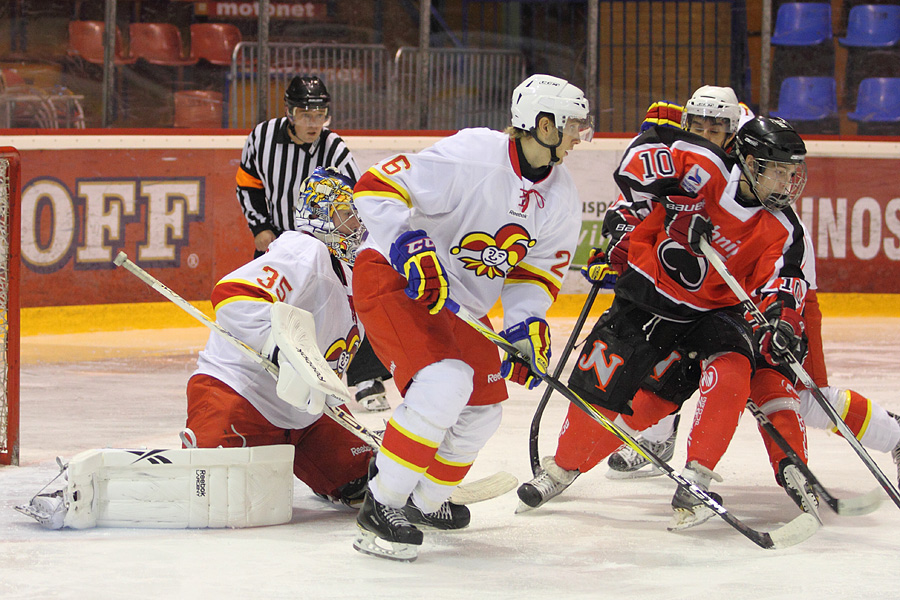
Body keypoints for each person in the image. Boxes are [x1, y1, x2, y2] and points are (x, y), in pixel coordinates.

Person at [518, 111, 820, 530]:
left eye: (793, 173)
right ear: (750, 163)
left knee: (733, 366)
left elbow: (785, 282)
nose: (787, 183)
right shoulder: (703, 163)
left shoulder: (784, 227)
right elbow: (639, 158)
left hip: (714, 312)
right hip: (647, 296)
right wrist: (676, 203)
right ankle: (564, 466)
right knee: (606, 396)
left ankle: (696, 479)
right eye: (779, 172)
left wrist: (783, 321)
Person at [349, 73, 593, 561]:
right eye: (571, 125)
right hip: (394, 279)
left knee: (484, 409)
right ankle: (382, 503)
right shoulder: (473, 155)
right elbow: (375, 186)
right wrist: (406, 242)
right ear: (542, 124)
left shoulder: (562, 196)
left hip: (460, 306)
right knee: (447, 382)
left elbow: (536, 272)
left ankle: (424, 501)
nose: (578, 136)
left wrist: (526, 325)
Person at [605, 94, 900, 485]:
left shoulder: (754, 181)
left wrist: (780, 315)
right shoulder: (687, 164)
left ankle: (894, 433)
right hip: (712, 295)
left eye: (716, 130)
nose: (706, 137)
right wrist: (619, 237)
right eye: (698, 128)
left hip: (775, 295)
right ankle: (659, 438)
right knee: (666, 349)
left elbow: (785, 264)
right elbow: (633, 203)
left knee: (803, 397)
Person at [186, 167, 374, 507]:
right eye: (347, 214)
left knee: (365, 480)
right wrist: (279, 347)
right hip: (242, 395)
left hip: (308, 416)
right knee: (206, 493)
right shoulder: (305, 251)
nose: (358, 226)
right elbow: (234, 297)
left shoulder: (352, 271)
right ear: (320, 214)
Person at [235, 74, 391, 412]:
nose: (314, 123)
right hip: (277, 244)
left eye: (320, 115)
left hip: (325, 248)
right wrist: (259, 227)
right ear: (290, 113)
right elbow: (248, 184)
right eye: (307, 115)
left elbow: (354, 196)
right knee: (271, 309)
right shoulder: (261, 138)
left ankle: (366, 378)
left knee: (351, 307)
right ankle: (258, 374)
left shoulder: (334, 147)